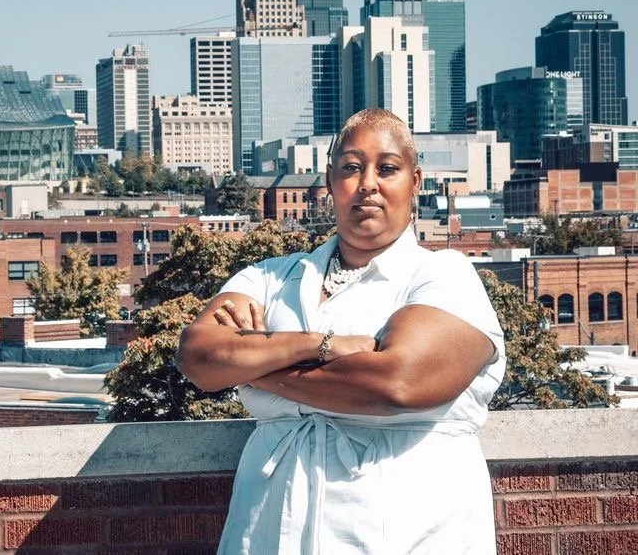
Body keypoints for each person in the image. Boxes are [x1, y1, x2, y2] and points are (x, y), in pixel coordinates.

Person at [177, 108, 505, 554]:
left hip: (409, 532)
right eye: (351, 168)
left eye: (387, 168)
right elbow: (198, 356)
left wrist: (252, 365)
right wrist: (322, 345)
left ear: (416, 181)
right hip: (268, 531)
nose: (367, 182)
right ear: (331, 182)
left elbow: (396, 384)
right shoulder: (271, 277)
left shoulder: (443, 276)